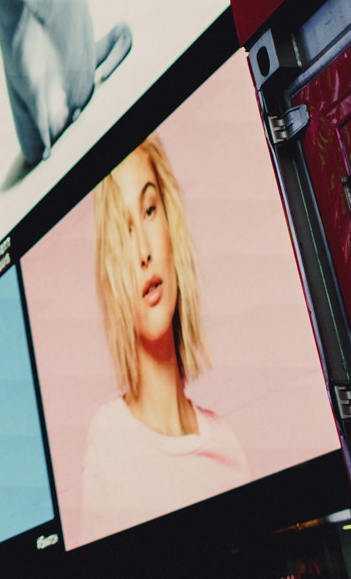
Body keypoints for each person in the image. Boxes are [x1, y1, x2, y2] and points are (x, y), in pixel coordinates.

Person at [79, 135, 248, 540]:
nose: (142, 252)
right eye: (123, 230)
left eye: (150, 210)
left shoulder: (227, 443)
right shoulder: (108, 443)